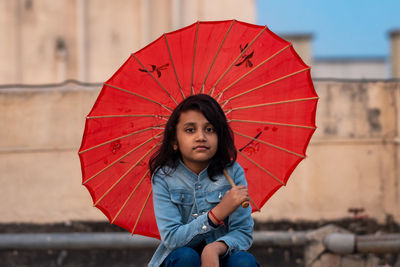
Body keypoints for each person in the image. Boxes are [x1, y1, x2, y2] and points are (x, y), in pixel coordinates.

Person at [148, 94, 259, 267]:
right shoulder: (164, 177)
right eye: (190, 130)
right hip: (180, 260)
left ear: (219, 136)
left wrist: (214, 249)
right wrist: (216, 214)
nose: (201, 137)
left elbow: (243, 232)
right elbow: (172, 238)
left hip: (220, 259)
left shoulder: (232, 172)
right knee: (186, 256)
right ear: (174, 141)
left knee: (243, 261)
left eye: (210, 129)